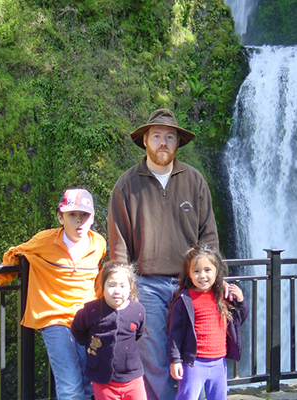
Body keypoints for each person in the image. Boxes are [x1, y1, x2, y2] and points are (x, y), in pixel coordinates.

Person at [107, 108, 219, 400]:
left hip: (190, 285)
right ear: (144, 140)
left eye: (170, 136)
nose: (163, 142)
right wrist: (121, 288)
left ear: (178, 143)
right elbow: (118, 243)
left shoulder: (194, 181)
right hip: (146, 284)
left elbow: (209, 235)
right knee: (154, 355)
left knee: (193, 352)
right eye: (156, 135)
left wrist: (216, 282)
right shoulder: (127, 184)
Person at [0, 188, 107, 400]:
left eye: (84, 215)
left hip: (87, 320)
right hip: (54, 318)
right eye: (72, 215)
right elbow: (14, 254)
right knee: (70, 386)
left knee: (89, 382)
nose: (79, 221)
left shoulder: (99, 244)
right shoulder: (43, 241)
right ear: (60, 217)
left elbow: (101, 274)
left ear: (92, 218)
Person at [168, 245, 249, 400]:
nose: (202, 275)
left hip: (219, 362)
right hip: (193, 363)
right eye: (196, 271)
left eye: (207, 270)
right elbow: (175, 334)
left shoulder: (222, 296)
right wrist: (175, 360)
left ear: (216, 271)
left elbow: (238, 320)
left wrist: (241, 301)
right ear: (189, 274)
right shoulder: (185, 299)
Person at [71, 261, 147, 400]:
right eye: (111, 285)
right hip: (103, 379)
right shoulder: (91, 311)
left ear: (130, 288)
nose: (117, 290)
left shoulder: (138, 311)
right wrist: (91, 344)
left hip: (132, 377)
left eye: (123, 286)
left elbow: (138, 333)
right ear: (103, 286)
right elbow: (77, 329)